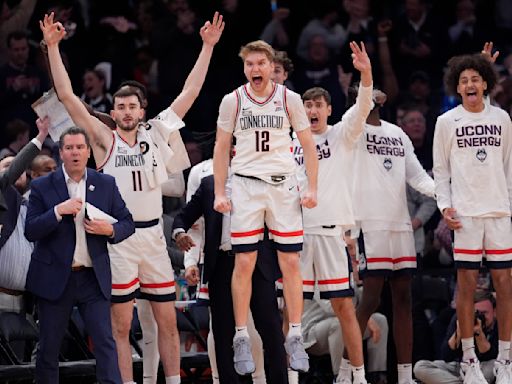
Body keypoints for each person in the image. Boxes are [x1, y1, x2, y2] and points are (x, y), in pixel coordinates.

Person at [41, 11, 224, 384]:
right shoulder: (103, 139)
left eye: (132, 106)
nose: (126, 111)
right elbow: (66, 96)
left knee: (167, 322)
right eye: (120, 107)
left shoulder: (156, 132)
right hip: (117, 239)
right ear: (113, 112)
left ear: (143, 110)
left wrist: (206, 47)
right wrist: (53, 48)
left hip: (154, 236)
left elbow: (190, 92)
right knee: (121, 326)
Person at [213, 39, 318, 375]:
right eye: (249, 64)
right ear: (244, 68)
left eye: (261, 63)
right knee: (244, 260)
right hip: (245, 184)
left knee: (290, 260)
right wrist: (219, 191)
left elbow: (308, 145)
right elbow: (220, 148)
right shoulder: (233, 100)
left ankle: (297, 334)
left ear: (272, 66)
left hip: (283, 185)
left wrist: (311, 187)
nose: (255, 69)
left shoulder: (289, 99)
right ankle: (241, 336)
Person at [24, 126, 135, 384]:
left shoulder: (105, 183)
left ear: (88, 152)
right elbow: (30, 231)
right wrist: (57, 211)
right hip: (54, 278)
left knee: (105, 343)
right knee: (49, 347)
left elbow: (127, 223)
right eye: (69, 148)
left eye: (80, 147)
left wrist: (109, 229)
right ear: (61, 153)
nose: (75, 152)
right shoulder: (42, 186)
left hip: (92, 277)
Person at [294, 41, 373, 384]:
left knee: (344, 308)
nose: (312, 110)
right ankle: (289, 375)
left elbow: (362, 105)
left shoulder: (342, 134)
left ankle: (358, 374)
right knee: (290, 312)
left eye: (317, 105)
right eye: (306, 105)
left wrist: (365, 73)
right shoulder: (291, 142)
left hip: (329, 233)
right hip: (295, 235)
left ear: (328, 109)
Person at [433, 53, 512, 383]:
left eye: (476, 79)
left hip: (497, 212)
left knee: (505, 288)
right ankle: (468, 361)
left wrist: (507, 206)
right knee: (465, 289)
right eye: (464, 80)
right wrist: (444, 206)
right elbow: (440, 170)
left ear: (485, 84)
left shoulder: (502, 118)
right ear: (456, 86)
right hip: (464, 215)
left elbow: (507, 166)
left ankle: (506, 362)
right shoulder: (447, 121)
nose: (469, 84)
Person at [349, 83, 435, 384]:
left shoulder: (398, 134)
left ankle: (405, 376)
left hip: (400, 226)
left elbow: (418, 177)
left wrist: (446, 197)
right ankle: (349, 372)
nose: (371, 95)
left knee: (404, 299)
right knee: (370, 300)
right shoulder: (352, 132)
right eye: (363, 90)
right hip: (370, 226)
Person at [172, 173, 288, 383]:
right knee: (222, 334)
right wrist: (179, 234)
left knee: (270, 331)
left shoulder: (263, 178)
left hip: (257, 264)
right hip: (223, 264)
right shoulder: (209, 184)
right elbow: (183, 217)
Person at [0, 116, 49, 294]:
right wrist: (41, 136)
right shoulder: (2, 193)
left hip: (26, 305)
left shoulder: (33, 203)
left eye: (19, 167)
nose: (16, 170)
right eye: (7, 166)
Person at [414, 291, 499, 383]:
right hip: (461, 367)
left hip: (485, 367)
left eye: (484, 313)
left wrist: (478, 333)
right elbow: (446, 356)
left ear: (494, 312)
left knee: (495, 366)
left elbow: (491, 356)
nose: (479, 316)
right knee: (420, 367)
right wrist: (458, 333)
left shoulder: (500, 325)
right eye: (475, 313)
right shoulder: (460, 318)